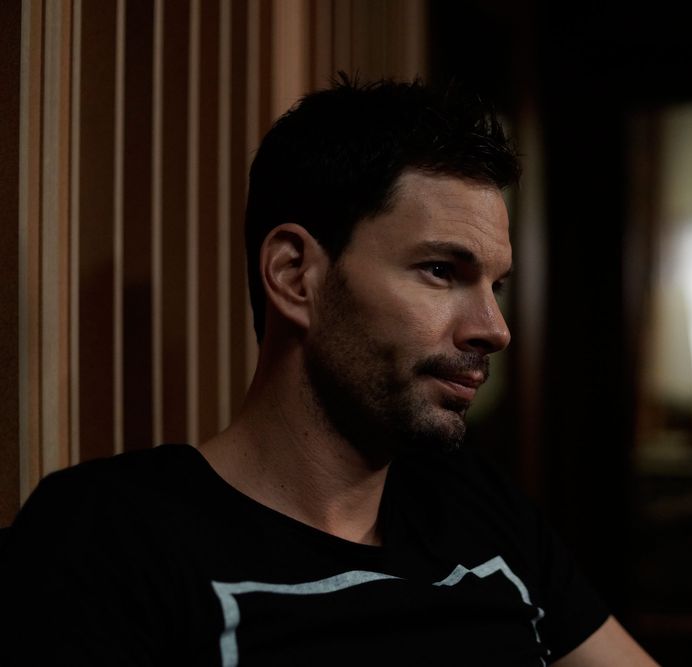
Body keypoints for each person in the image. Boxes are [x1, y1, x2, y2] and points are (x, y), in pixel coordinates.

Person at [1, 76, 656, 666]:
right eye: (441, 271)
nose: (494, 328)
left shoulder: (479, 509)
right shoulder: (111, 534)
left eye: (497, 285)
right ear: (295, 275)